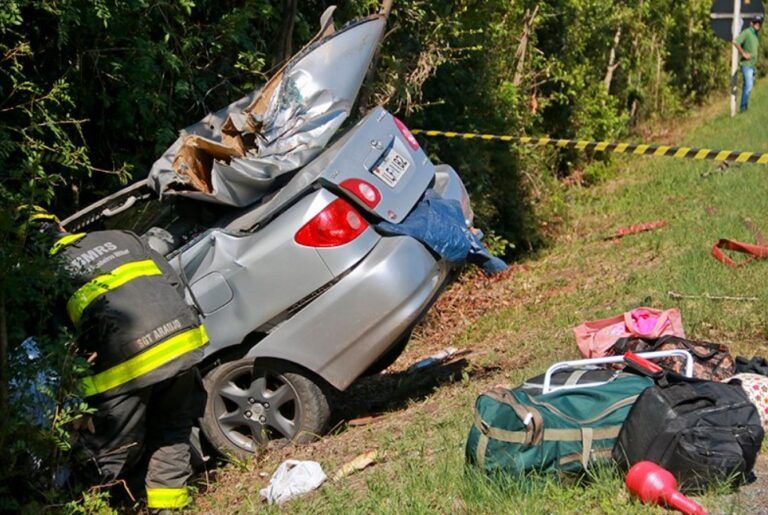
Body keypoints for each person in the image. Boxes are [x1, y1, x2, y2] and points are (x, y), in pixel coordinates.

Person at [18, 206, 209, 512]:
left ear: (27, 254)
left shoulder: (47, 277)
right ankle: (169, 507)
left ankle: (96, 506)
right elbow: (172, 281)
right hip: (182, 344)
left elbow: (58, 345)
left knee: (109, 452)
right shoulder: (121, 237)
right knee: (172, 427)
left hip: (127, 367)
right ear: (61, 227)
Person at [733, 15, 763, 112]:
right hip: (747, 65)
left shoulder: (755, 34)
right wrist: (743, 53)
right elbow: (736, 42)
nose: (758, 25)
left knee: (747, 86)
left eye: (759, 23)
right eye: (756, 23)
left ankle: (744, 107)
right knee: (749, 86)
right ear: (751, 23)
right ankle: (743, 108)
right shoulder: (747, 32)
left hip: (752, 65)